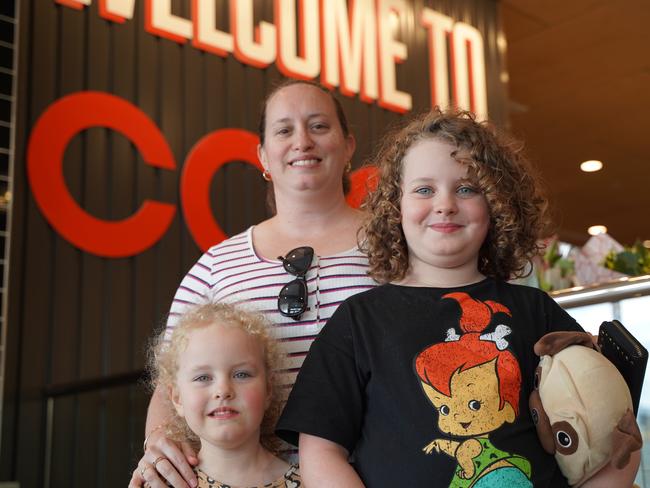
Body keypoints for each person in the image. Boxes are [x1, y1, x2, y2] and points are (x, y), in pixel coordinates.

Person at [276, 108, 641, 487]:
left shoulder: (538, 312)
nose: (445, 204)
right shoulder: (358, 320)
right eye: (424, 189)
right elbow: (319, 448)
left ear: (496, 206)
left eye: (467, 188)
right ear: (394, 206)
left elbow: (615, 433)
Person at [129, 80, 377, 488]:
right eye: (284, 130)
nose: (302, 141)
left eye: (318, 126)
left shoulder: (400, 250)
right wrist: (159, 446)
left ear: (348, 145)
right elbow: (169, 384)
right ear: (263, 155)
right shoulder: (216, 266)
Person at [141, 302, 301, 487]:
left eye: (241, 374)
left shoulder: (310, 483)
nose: (223, 390)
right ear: (176, 398)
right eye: (203, 377)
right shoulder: (161, 484)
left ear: (268, 389)